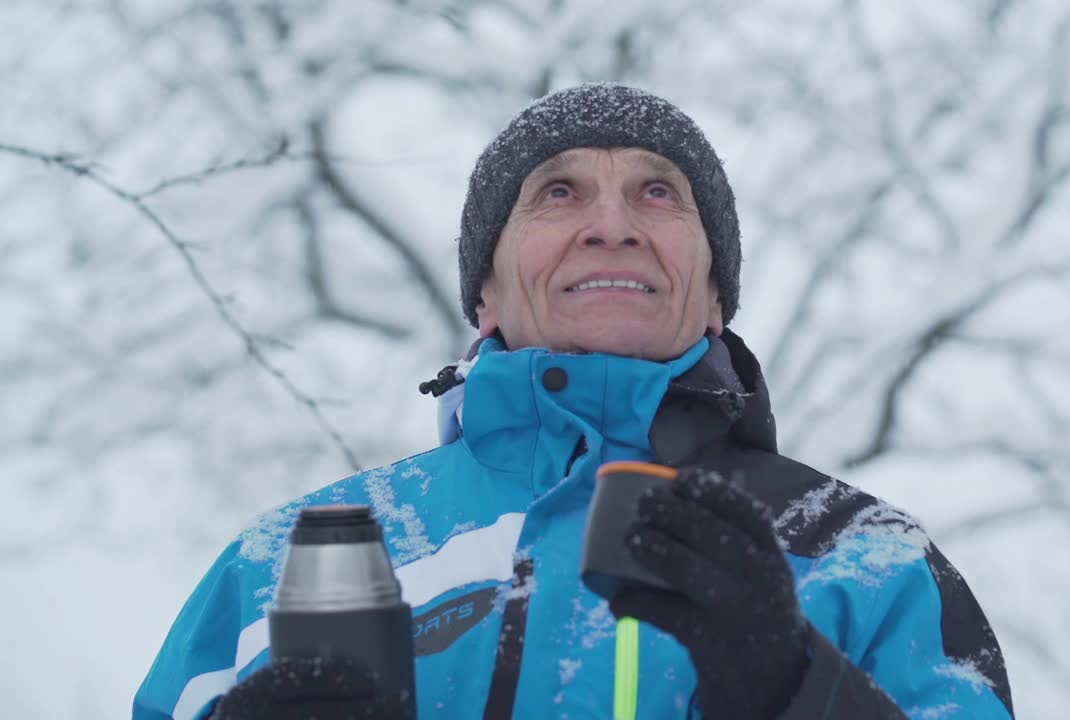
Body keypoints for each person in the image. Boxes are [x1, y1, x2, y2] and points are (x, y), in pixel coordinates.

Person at [134, 83, 1015, 720]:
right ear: (483, 295)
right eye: (558, 192)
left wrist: (797, 691)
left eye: (657, 193)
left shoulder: (866, 559)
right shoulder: (287, 563)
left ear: (714, 296)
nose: (611, 224)